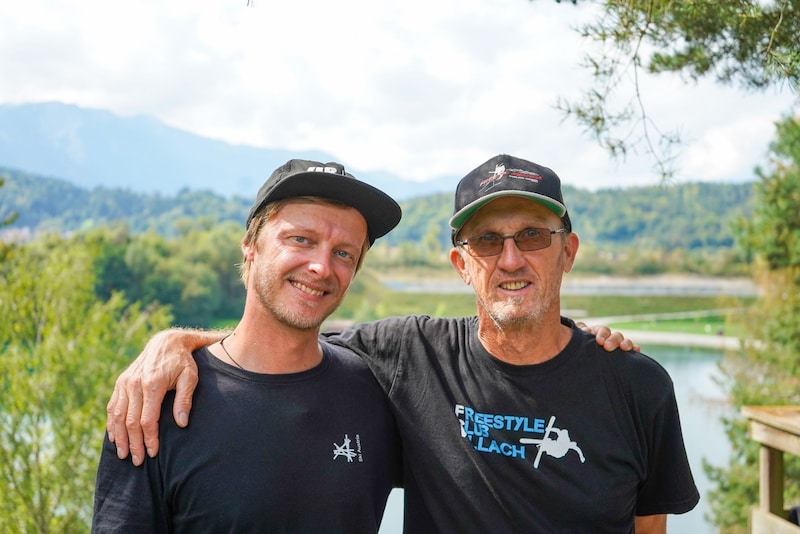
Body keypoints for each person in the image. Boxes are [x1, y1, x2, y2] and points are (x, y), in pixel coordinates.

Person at [107, 155, 696, 532]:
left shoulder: (637, 386)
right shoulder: (412, 356)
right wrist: (174, 341)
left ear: (567, 252)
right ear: (461, 264)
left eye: (534, 237)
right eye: (487, 241)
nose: (511, 258)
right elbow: (281, 340)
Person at [92, 159, 406, 532]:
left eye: (343, 253)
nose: (321, 267)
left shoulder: (378, 392)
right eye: (301, 239)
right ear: (250, 246)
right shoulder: (156, 403)